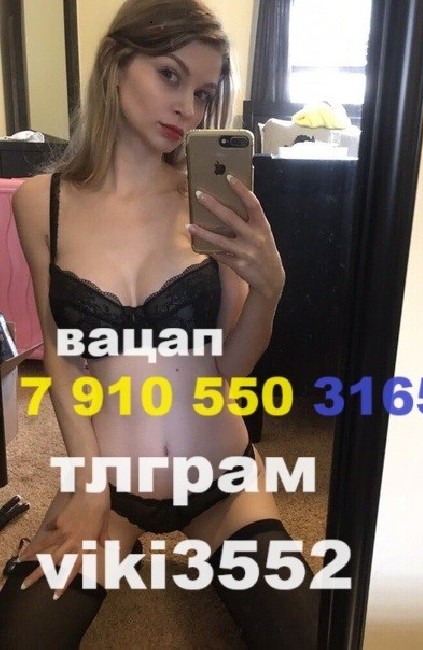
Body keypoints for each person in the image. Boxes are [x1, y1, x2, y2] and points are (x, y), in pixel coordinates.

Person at [0, 1, 319, 647]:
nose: (187, 109)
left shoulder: (211, 203)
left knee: (308, 633)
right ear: (116, 65)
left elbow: (229, 370)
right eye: (170, 75)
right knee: (22, 634)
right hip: (110, 484)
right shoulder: (41, 202)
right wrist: (89, 486)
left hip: (222, 481)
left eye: (202, 92)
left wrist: (270, 290)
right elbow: (62, 353)